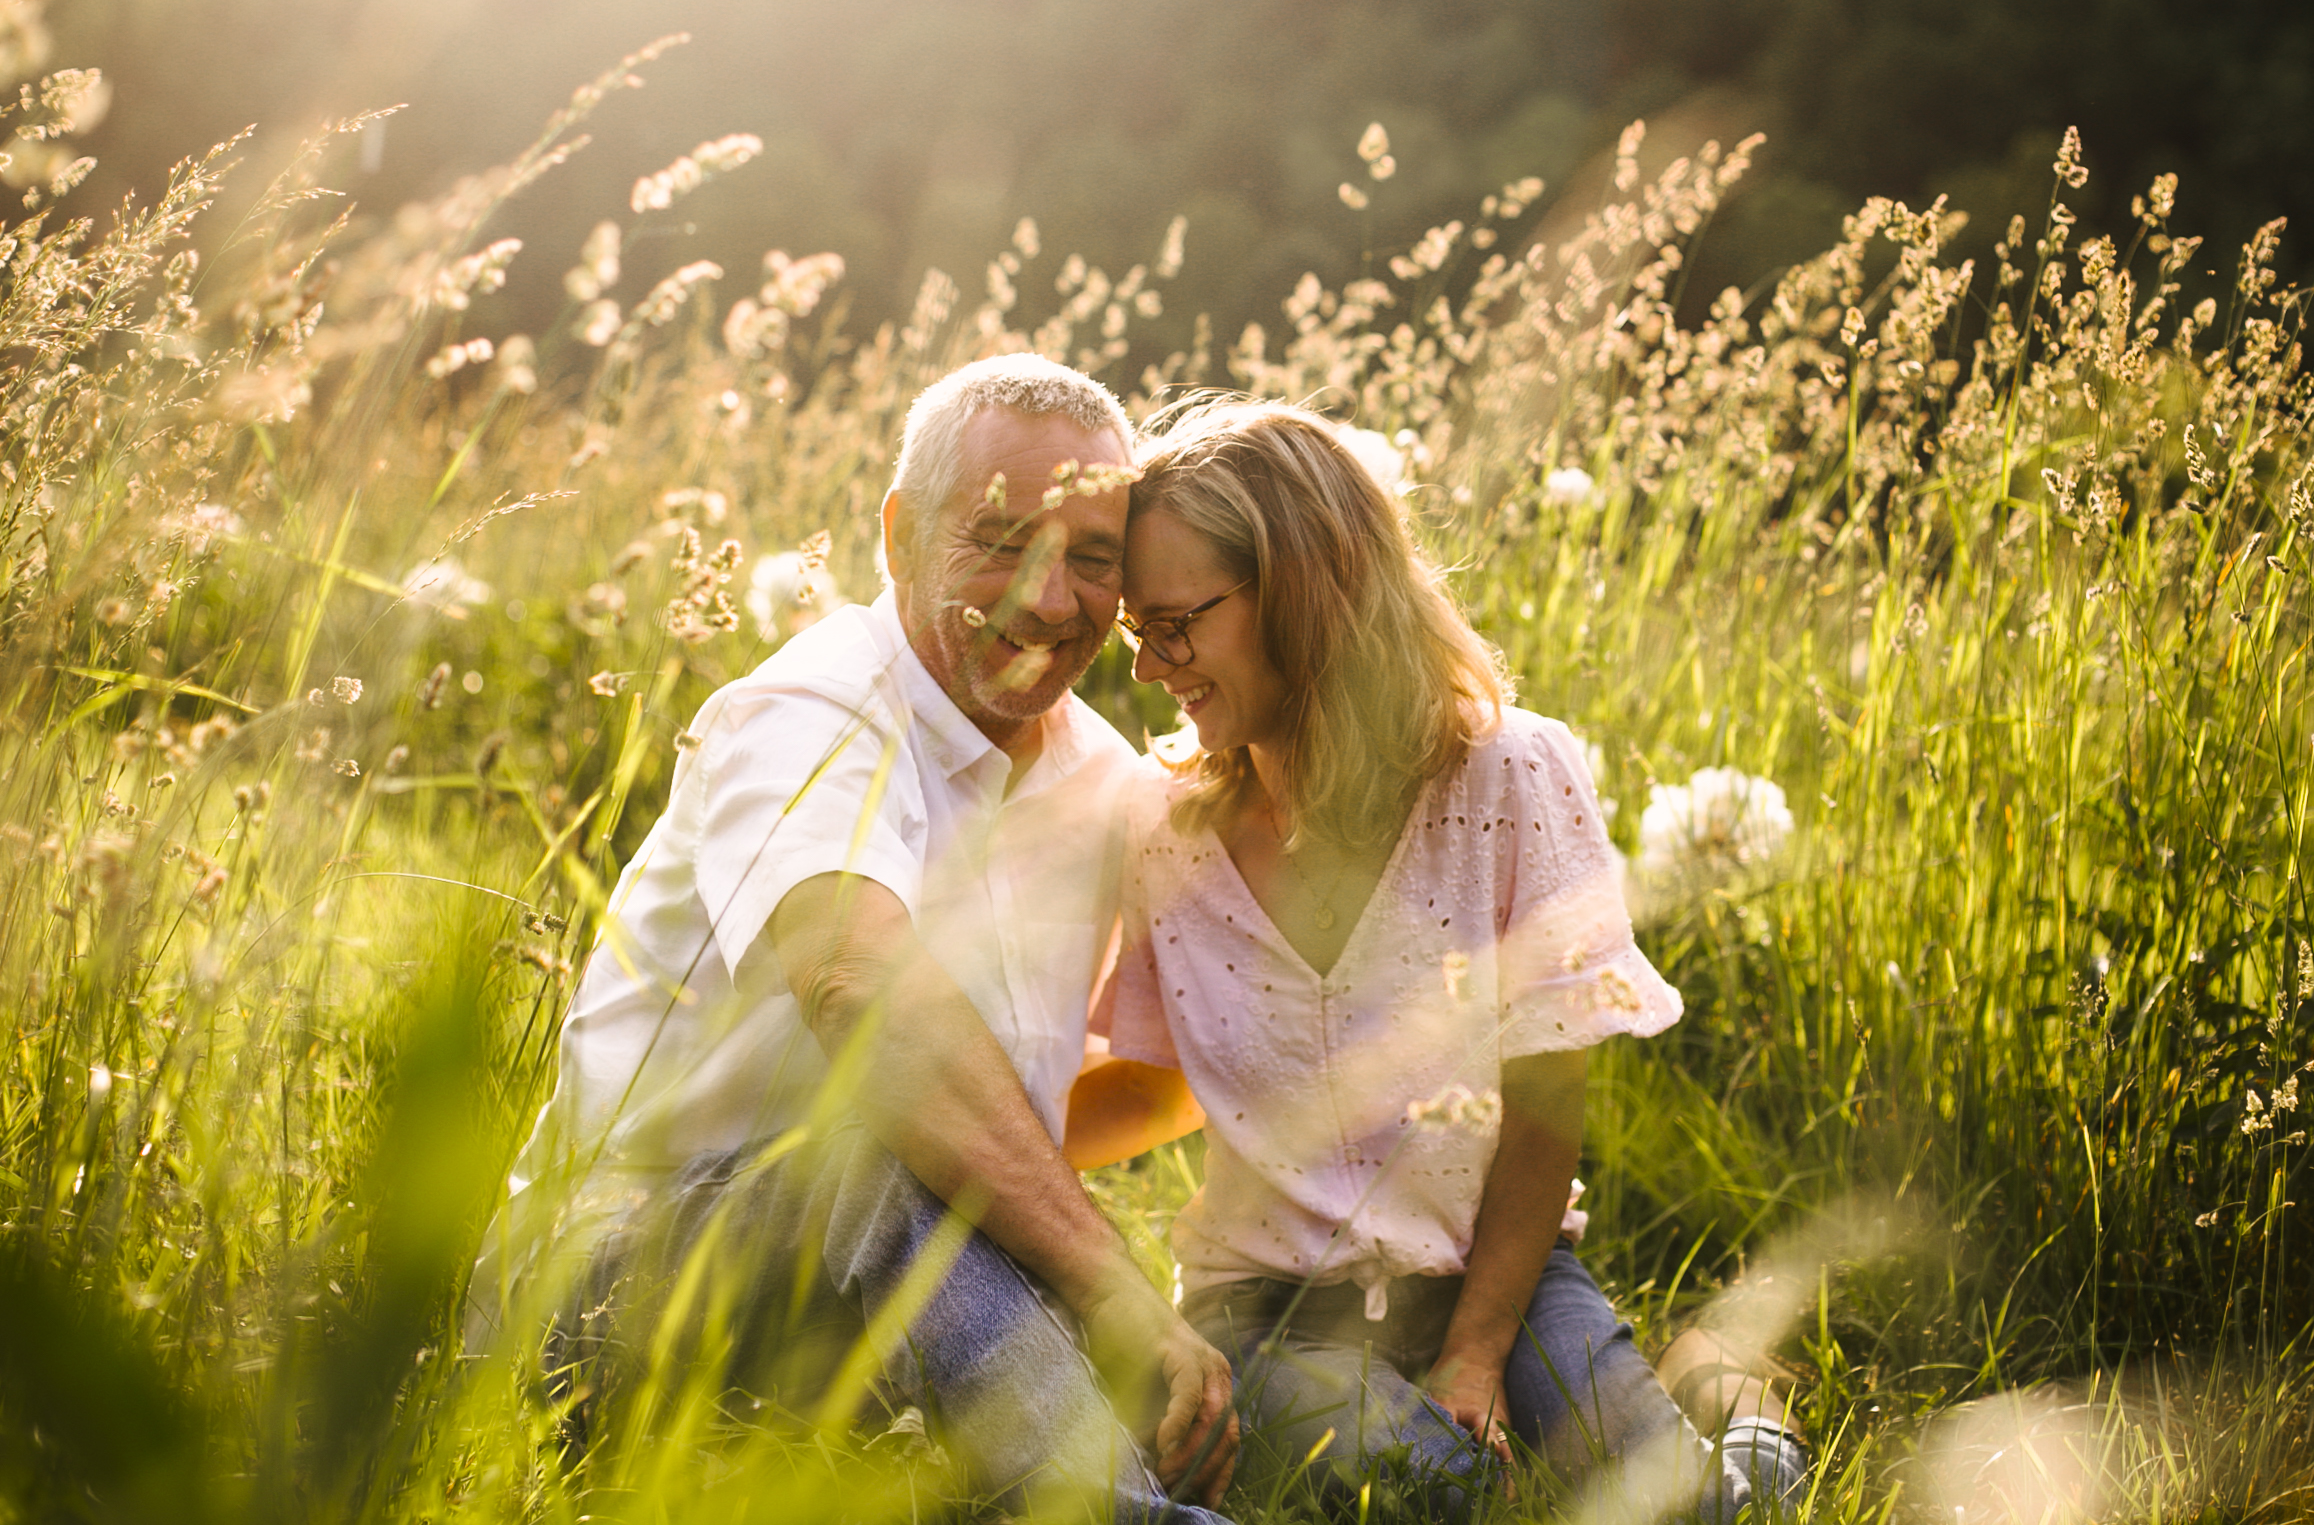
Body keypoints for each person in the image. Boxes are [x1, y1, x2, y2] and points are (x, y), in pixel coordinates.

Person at [487, 354, 1239, 1522]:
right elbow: (861, 992)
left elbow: (1189, 1057)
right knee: (867, 1145)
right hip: (610, 1297)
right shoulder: (807, 713)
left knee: (955, 1215)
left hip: (881, 1315)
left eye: (1092, 558)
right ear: (899, 537)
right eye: (998, 539)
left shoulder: (1102, 782)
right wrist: (1114, 1292)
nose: (1049, 598)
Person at [1068, 398, 1809, 1519]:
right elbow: (1159, 1082)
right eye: (1138, 630)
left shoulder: (1515, 781)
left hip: (1493, 1273)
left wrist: (1474, 1351)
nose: (1150, 666)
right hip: (1266, 1308)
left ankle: (1733, 1397)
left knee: (1687, 1508)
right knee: (1432, 1491)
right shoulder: (1160, 830)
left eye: (1178, 624)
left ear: (1307, 589)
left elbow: (1547, 1096)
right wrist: (962, 1149)